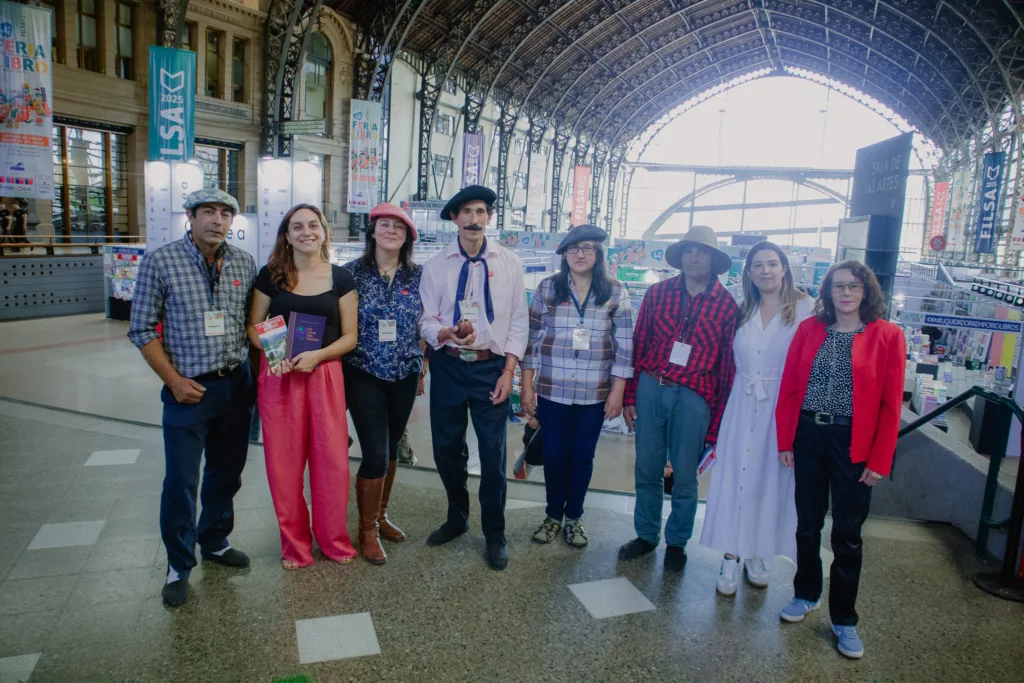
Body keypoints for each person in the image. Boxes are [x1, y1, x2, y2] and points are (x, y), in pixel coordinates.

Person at [128, 189, 257, 607]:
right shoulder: (160, 261)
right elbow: (142, 328)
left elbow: (252, 326)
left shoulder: (243, 261)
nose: (217, 220)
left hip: (235, 387)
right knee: (182, 481)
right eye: (208, 212)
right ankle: (178, 564)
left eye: (225, 213)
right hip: (188, 391)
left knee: (227, 472)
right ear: (191, 216)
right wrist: (174, 380)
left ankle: (214, 541)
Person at [775, 260, 906, 660]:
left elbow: (890, 404)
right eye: (838, 288)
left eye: (853, 287)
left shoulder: (887, 336)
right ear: (828, 293)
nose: (845, 294)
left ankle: (845, 619)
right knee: (807, 524)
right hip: (810, 435)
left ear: (866, 291)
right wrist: (786, 440)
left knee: (847, 534)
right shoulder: (809, 330)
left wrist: (879, 460)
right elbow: (791, 388)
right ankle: (805, 593)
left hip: (855, 442)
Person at [418, 184, 529, 571]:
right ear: (454, 219)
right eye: (466, 212)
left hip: (490, 367)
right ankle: (457, 517)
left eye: (481, 212)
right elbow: (427, 319)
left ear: (489, 218)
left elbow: (518, 321)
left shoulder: (510, 263)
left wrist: (509, 372)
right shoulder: (436, 265)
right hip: (449, 365)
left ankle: (494, 533)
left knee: (493, 455)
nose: (474, 219)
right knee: (447, 449)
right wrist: (443, 333)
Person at [618, 225, 739, 573]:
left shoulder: (727, 307)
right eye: (688, 250)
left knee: (685, 475)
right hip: (651, 386)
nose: (693, 256)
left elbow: (726, 370)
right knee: (647, 468)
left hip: (695, 396)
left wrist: (715, 426)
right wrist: (630, 394)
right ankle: (646, 535)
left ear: (714, 260)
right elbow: (639, 344)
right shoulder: (658, 294)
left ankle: (677, 542)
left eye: (701, 251)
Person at [699, 242, 814, 595]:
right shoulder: (740, 309)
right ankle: (731, 555)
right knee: (736, 478)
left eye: (772, 264)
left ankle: (758, 553)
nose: (765, 270)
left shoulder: (807, 309)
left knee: (770, 481)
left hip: (782, 406)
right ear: (748, 272)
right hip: (741, 402)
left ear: (784, 269)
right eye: (758, 265)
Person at [248, 204, 358, 570]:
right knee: (284, 464)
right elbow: (254, 325)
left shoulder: (341, 279)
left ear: (324, 232)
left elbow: (350, 337)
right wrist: (274, 351)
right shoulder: (271, 276)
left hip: (324, 375)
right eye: (297, 226)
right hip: (279, 375)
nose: (306, 231)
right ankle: (295, 545)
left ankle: (333, 540)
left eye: (313, 225)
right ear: (287, 234)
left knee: (331, 463)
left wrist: (318, 356)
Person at [520, 224, 634, 547]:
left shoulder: (615, 291)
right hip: (552, 389)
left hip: (594, 393)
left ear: (598, 254)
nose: (580, 254)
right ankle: (553, 515)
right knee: (555, 454)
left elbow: (624, 347)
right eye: (573, 249)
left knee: (583, 456)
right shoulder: (548, 289)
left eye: (587, 248)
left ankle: (575, 518)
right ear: (564, 255)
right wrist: (527, 387)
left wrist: (617, 391)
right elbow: (531, 340)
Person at [342, 202, 423, 565]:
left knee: (391, 448)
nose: (392, 231)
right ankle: (366, 530)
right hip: (364, 373)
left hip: (404, 374)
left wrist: (422, 367)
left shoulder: (419, 277)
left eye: (400, 227)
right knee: (374, 451)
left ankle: (381, 515)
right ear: (372, 231)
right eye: (385, 225)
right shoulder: (349, 275)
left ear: (407, 238)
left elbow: (428, 324)